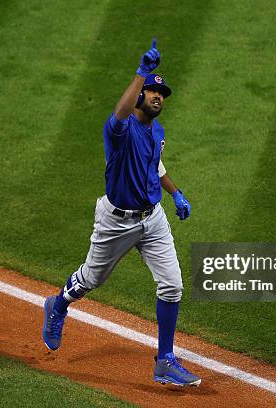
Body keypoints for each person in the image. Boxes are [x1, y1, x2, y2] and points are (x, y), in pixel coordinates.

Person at [42, 39, 201, 387]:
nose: (158, 97)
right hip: (117, 221)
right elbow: (118, 114)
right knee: (91, 279)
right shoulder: (120, 130)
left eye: (162, 95)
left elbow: (155, 166)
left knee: (172, 286)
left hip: (153, 218)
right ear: (140, 95)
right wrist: (141, 72)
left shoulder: (156, 131)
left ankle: (165, 361)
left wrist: (177, 194)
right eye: (152, 92)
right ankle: (58, 305)